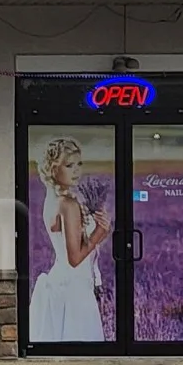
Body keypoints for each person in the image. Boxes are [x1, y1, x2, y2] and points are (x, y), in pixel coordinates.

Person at [30, 136, 109, 341]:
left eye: (79, 164)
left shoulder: (54, 200)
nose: (76, 170)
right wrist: (99, 233)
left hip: (64, 282)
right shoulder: (68, 204)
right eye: (69, 165)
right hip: (74, 288)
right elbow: (75, 259)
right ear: (53, 169)